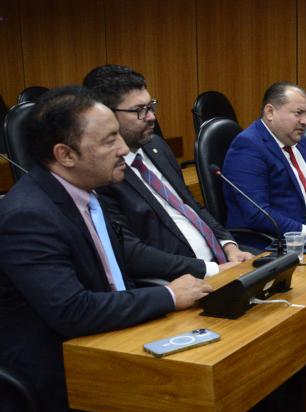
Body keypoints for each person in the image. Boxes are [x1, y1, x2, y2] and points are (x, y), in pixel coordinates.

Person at [0, 86, 306, 412]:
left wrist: (194, 275)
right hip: (51, 370)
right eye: (109, 140)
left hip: (100, 335)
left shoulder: (82, 190)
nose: (123, 149)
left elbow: (124, 251)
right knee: (180, 390)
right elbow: (71, 311)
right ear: (65, 154)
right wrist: (167, 296)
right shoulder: (29, 215)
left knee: (210, 361)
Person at [82, 65, 254, 276]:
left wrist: (229, 245)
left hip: (222, 261)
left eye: (151, 106)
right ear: (106, 115)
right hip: (183, 278)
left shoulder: (157, 146)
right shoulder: (102, 174)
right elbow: (131, 252)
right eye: (139, 110)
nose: (151, 117)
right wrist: (211, 270)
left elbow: (191, 205)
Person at [223, 82, 306, 248]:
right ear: (270, 112)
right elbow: (257, 213)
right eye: (298, 113)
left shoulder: (300, 141)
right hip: (278, 244)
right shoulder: (248, 147)